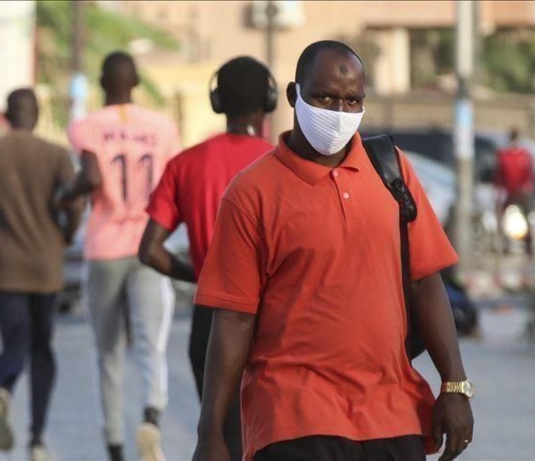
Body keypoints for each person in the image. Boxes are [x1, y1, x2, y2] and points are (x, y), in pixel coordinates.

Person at [191, 40, 475, 461]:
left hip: (393, 414)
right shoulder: (251, 193)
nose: (338, 113)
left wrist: (454, 386)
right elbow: (233, 317)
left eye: (351, 100)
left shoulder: (392, 171)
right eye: (324, 97)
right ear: (293, 95)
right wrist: (211, 432)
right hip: (294, 418)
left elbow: (425, 282)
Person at [138, 56, 278, 461]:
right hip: (276, 320)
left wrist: (203, 275)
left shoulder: (185, 164)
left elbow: (149, 250)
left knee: (223, 438)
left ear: (217, 102)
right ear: (269, 101)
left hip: (212, 318)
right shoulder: (282, 165)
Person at [57, 51, 181, 461]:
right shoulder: (162, 127)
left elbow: (91, 176)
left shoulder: (87, 126)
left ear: (100, 81)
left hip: (105, 247)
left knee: (108, 351)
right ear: (137, 82)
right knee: (151, 342)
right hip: (149, 245)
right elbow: (173, 184)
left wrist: (65, 198)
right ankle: (151, 416)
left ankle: (114, 445)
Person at [0, 88, 82, 461]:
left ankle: (5, 387)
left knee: (13, 344)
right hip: (46, 268)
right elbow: (76, 202)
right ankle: (37, 438)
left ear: (5, 113)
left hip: (8, 268)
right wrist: (65, 234)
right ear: (37, 113)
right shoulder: (56, 154)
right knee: (42, 348)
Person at [494, 128, 535, 258]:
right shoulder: (503, 155)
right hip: (507, 191)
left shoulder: (525, 156)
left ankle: (528, 246)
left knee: (526, 216)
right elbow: (499, 174)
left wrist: (527, 187)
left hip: (521, 192)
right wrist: (499, 189)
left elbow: (530, 174)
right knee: (502, 217)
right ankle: (505, 245)